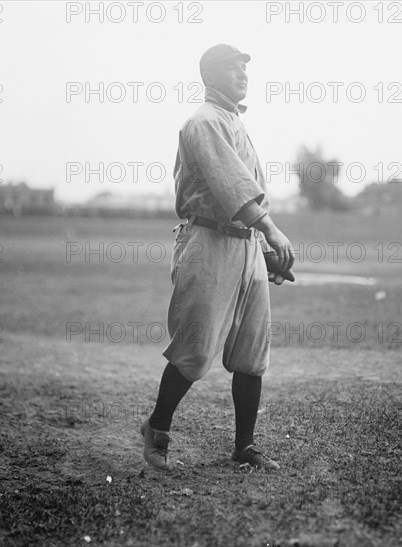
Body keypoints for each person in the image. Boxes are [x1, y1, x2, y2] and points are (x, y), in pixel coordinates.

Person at [140, 44, 295, 471]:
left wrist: (263, 247)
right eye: (233, 67)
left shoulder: (234, 122)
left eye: (245, 66)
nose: (243, 73)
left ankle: (243, 446)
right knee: (195, 347)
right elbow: (231, 187)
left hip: (244, 245)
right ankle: (157, 427)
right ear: (210, 76)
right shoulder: (204, 121)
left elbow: (247, 190)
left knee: (251, 351)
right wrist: (270, 229)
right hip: (208, 243)